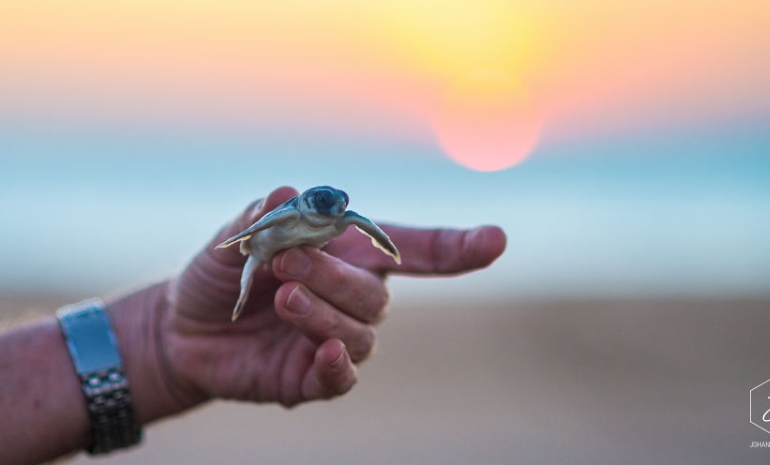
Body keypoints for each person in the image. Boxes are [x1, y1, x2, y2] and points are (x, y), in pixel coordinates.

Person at [0, 186, 506, 464]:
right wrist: (234, 241)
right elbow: (260, 225)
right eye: (323, 203)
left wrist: (155, 349)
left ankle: (224, 309)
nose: (334, 211)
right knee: (248, 276)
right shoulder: (288, 211)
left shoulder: (343, 219)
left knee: (304, 279)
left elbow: (361, 224)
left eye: (340, 206)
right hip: (261, 249)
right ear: (306, 203)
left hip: (269, 276)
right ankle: (241, 296)